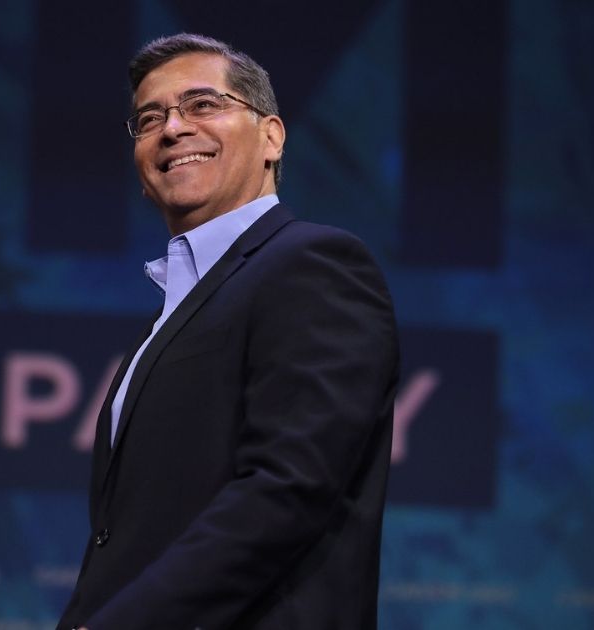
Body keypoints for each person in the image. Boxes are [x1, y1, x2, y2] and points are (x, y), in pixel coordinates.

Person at [58, 33, 400, 630]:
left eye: (202, 105)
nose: (172, 129)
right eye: (149, 118)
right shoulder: (171, 311)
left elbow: (288, 486)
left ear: (272, 136)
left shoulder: (312, 263)